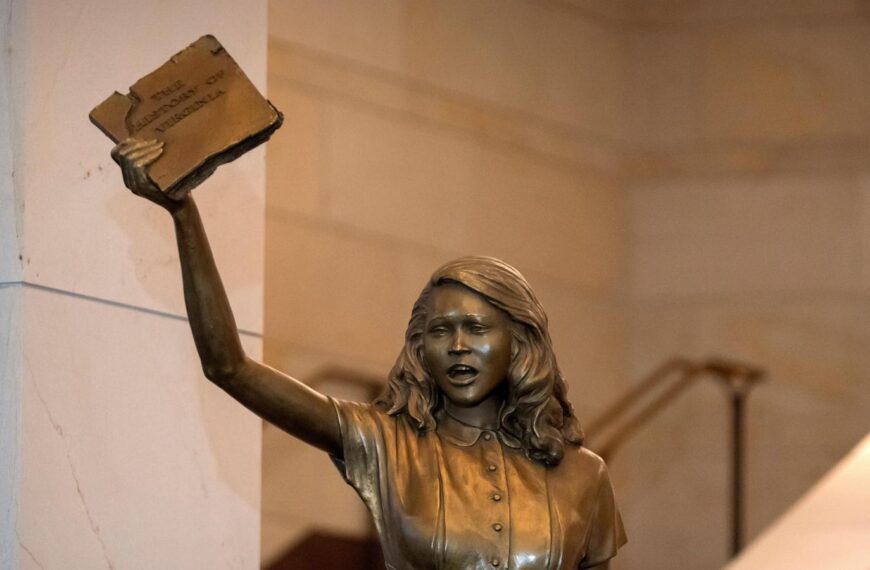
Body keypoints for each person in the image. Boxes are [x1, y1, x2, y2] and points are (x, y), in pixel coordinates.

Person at [112, 138, 626, 569]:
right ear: (420, 348)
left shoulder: (583, 475)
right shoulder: (387, 443)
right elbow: (229, 366)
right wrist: (183, 214)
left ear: (521, 340)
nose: (458, 345)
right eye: (440, 331)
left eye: (476, 327)